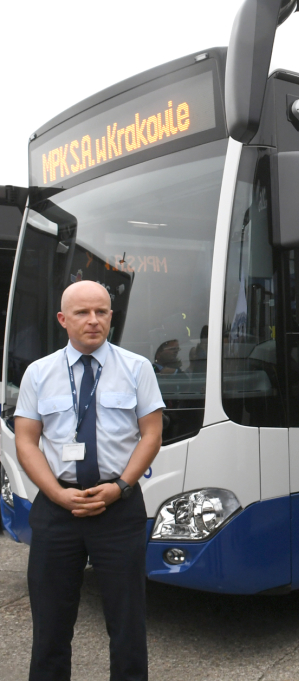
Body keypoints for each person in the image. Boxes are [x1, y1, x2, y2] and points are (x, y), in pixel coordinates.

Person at [14, 280, 164, 681]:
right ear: (63, 319)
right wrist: (57, 495)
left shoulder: (137, 368)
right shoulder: (38, 373)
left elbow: (151, 433)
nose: (93, 320)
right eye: (82, 312)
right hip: (56, 510)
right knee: (50, 623)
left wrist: (122, 487)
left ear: (112, 317)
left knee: (128, 624)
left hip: (119, 505)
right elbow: (26, 441)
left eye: (102, 312)